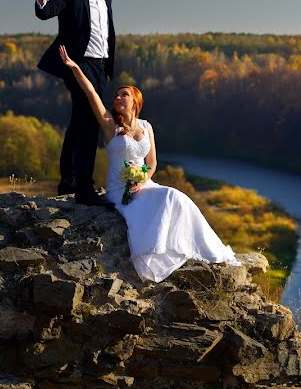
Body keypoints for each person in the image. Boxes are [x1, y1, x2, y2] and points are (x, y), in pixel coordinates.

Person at [58, 45, 241, 282]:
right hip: (119, 191)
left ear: (135, 101)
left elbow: (152, 163)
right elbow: (91, 92)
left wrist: (143, 178)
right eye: (116, 95)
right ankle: (155, 254)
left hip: (145, 185)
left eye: (124, 94)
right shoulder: (109, 125)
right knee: (161, 203)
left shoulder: (146, 126)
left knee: (177, 198)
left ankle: (205, 249)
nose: (118, 97)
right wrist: (74, 68)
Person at [33, 0, 115, 206]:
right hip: (78, 65)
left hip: (101, 67)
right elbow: (47, 13)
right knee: (91, 123)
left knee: (78, 123)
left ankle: (67, 182)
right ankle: (84, 190)